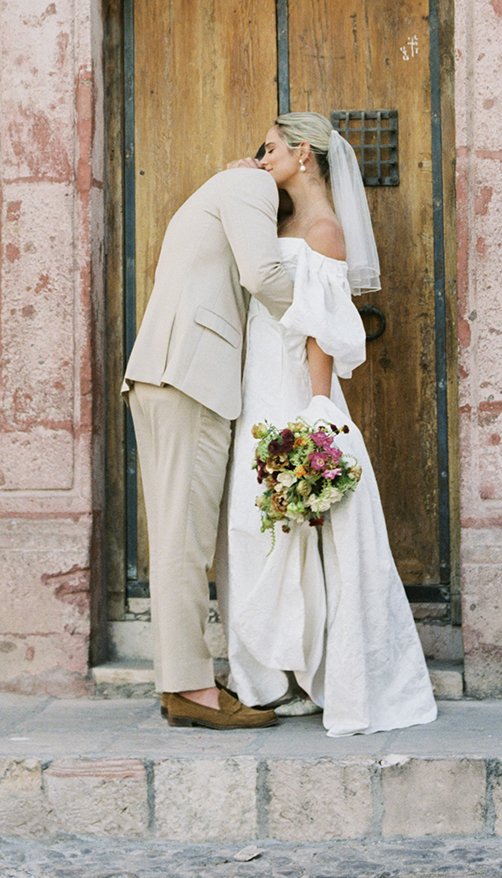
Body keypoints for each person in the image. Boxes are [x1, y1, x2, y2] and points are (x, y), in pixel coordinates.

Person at [216, 112, 438, 736]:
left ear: (305, 154)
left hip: (290, 387)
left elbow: (319, 328)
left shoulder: (323, 231)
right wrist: (240, 179)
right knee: (252, 523)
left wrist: (316, 409)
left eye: (270, 147)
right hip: (256, 377)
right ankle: (266, 672)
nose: (262, 156)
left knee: (295, 528)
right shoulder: (278, 218)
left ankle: (309, 672)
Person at [122, 165, 294, 729]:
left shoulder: (220, 189)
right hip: (189, 377)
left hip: (174, 375)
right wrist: (332, 304)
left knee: (181, 538)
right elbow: (265, 274)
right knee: (184, 544)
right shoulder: (249, 184)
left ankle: (184, 679)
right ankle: (191, 690)